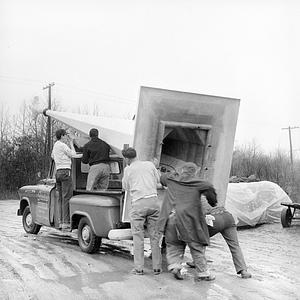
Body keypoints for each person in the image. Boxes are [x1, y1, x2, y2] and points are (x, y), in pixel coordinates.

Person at [156, 162, 217, 281]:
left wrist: (173, 173)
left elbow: (161, 177)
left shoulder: (171, 180)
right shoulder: (199, 183)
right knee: (196, 245)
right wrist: (213, 201)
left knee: (173, 245)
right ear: (195, 172)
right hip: (188, 220)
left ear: (182, 171)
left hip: (171, 218)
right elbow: (210, 189)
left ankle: (175, 266)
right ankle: (203, 273)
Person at [122, 148, 162, 275]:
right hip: (154, 202)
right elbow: (158, 181)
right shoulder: (150, 165)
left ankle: (139, 268)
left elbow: (126, 187)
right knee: (155, 236)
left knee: (138, 236)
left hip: (139, 203)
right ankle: (157, 267)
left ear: (127, 159)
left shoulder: (128, 169)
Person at [186, 205, 252, 279]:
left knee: (200, 239)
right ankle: (243, 271)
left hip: (213, 218)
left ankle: (198, 263)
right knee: (235, 246)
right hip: (227, 217)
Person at [51, 129, 82, 230]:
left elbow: (52, 156)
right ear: (62, 136)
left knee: (60, 198)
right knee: (67, 197)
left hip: (58, 172)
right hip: (65, 172)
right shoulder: (63, 145)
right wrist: (71, 142)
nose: (66, 138)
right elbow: (72, 154)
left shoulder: (55, 145)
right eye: (66, 136)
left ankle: (60, 222)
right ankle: (66, 222)